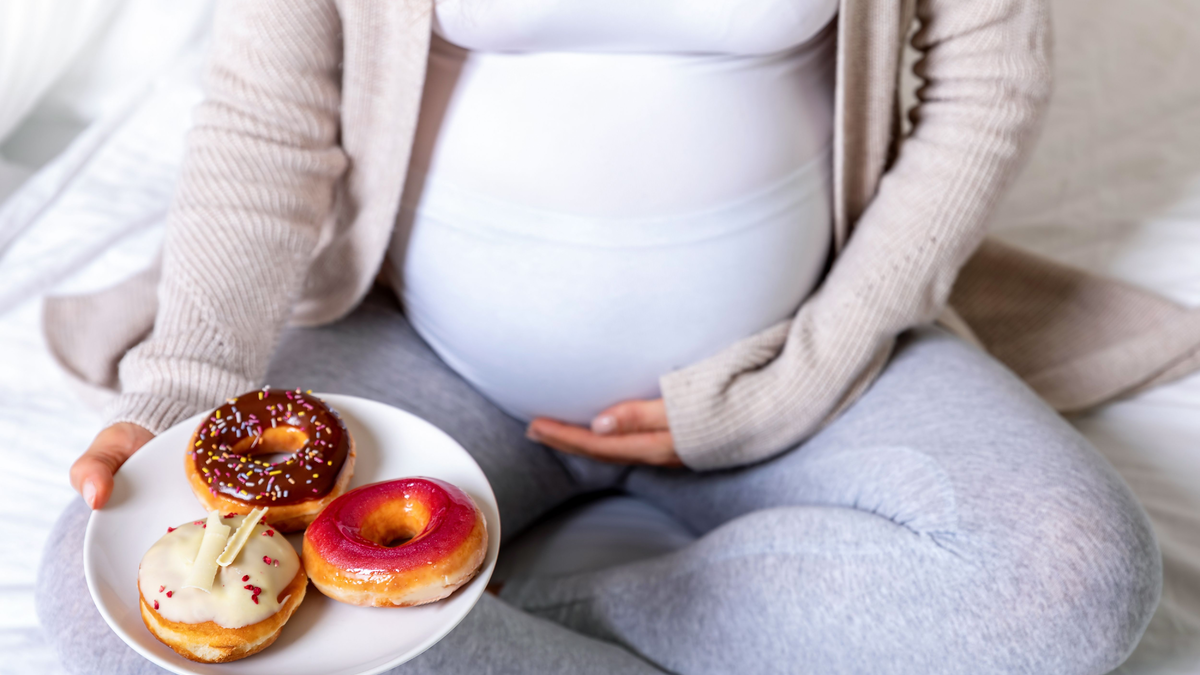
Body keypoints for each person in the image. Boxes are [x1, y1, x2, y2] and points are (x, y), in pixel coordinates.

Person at [38, 0, 1164, 672]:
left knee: (1070, 584)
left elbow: (987, 85)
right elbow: (270, 116)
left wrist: (798, 378)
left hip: (800, 360)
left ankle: (576, 612)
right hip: (434, 356)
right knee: (108, 623)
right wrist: (187, 390)